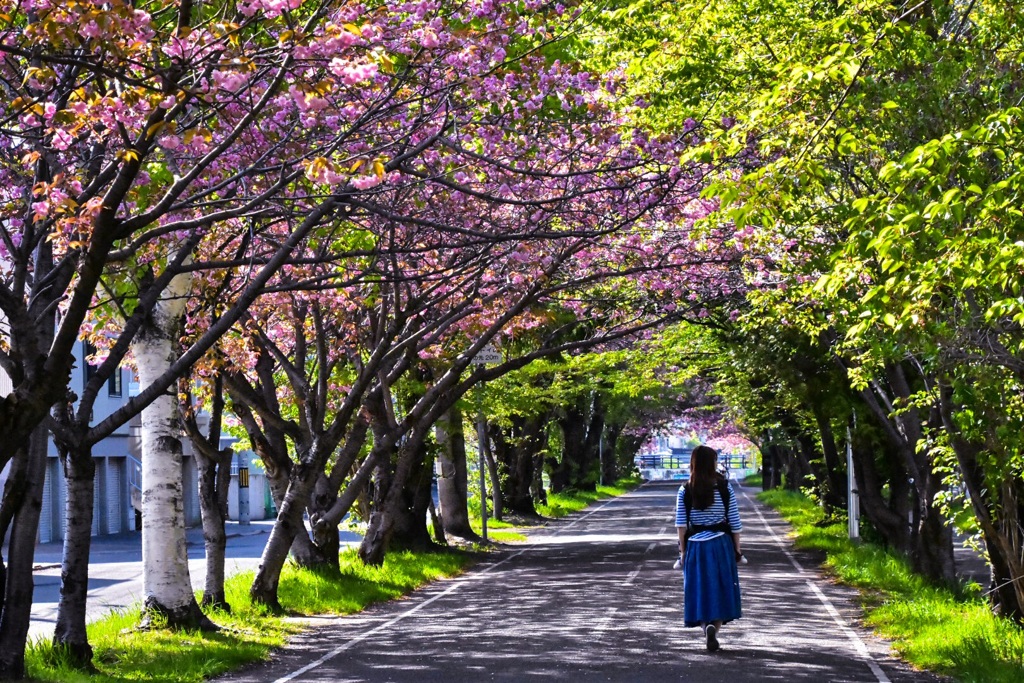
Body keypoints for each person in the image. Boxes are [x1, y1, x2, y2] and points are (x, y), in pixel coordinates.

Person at [675, 444, 743, 652]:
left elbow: (681, 524)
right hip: (721, 544)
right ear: (712, 463)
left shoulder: (686, 488)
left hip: (695, 546)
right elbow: (735, 522)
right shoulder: (723, 487)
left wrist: (682, 552)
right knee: (722, 589)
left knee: (699, 589)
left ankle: (706, 627)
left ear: (693, 463)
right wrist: (737, 550)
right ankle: (715, 627)